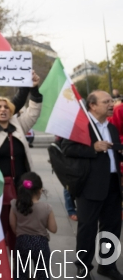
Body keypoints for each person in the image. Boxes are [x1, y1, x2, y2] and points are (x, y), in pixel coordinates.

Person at [0, 70, 42, 251]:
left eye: (5, 107)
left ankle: (21, 269)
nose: (2, 109)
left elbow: (33, 112)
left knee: (23, 228)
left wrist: (34, 89)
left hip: (23, 187)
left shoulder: (18, 125)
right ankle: (2, 268)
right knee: (2, 228)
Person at [62, 91, 123, 280]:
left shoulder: (110, 127)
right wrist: (93, 148)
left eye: (112, 101)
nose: (111, 104)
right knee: (87, 228)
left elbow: (113, 151)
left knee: (112, 227)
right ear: (93, 106)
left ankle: (107, 265)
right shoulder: (82, 126)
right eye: (106, 101)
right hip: (90, 185)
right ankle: (83, 266)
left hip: (113, 183)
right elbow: (67, 148)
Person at [9, 172, 57, 280]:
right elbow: (53, 229)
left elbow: (12, 224)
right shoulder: (46, 207)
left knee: (21, 273)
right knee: (42, 274)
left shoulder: (15, 204)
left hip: (22, 241)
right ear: (40, 190)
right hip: (40, 244)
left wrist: (20, 233)